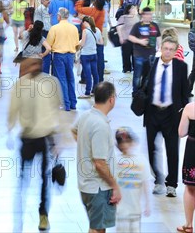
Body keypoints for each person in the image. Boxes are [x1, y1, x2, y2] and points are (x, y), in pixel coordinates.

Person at [8, 58, 61, 232]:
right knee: (23, 176)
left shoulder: (51, 82)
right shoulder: (20, 85)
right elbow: (13, 109)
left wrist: (56, 138)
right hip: (27, 137)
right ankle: (20, 212)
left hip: (45, 137)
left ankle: (43, 213)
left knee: (45, 178)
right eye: (30, 64)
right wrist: (9, 129)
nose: (34, 67)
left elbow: (56, 108)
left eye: (36, 63)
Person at [143, 37, 189, 198]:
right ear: (160, 48)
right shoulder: (150, 64)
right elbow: (143, 86)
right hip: (153, 113)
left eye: (171, 49)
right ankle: (158, 178)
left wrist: (183, 114)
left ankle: (171, 184)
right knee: (151, 149)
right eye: (165, 48)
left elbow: (185, 94)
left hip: (171, 114)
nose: (168, 52)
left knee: (172, 150)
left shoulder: (181, 68)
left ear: (175, 51)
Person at [72, 82, 121, 233]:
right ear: (111, 99)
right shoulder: (100, 125)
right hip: (98, 187)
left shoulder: (86, 116)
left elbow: (74, 131)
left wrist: (86, 148)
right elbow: (100, 163)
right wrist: (115, 186)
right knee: (98, 229)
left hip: (86, 185)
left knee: (96, 227)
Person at [114, 127, 151, 232]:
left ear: (133, 142)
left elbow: (145, 182)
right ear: (118, 145)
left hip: (135, 210)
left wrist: (147, 203)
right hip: (120, 211)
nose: (125, 145)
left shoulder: (141, 160)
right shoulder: (116, 160)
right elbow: (111, 181)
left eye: (127, 141)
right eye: (122, 142)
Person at [46, 8, 79, 111]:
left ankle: (66, 104)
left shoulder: (54, 28)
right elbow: (77, 44)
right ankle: (73, 103)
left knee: (62, 80)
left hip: (59, 56)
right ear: (67, 16)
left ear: (59, 16)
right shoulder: (74, 28)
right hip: (71, 55)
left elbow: (49, 44)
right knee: (71, 79)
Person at [127, 7, 160, 92]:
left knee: (148, 75)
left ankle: (144, 91)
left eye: (151, 14)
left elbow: (158, 36)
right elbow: (130, 37)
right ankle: (135, 91)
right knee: (137, 75)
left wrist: (159, 47)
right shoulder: (137, 26)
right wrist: (140, 41)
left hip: (151, 54)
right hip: (139, 55)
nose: (150, 16)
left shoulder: (154, 25)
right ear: (143, 15)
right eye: (148, 14)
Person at [178, 101, 195, 233]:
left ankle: (189, 225)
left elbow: (181, 132)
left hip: (193, 150)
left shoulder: (190, 107)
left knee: (190, 188)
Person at [78, 16, 102, 99]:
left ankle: (87, 92)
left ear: (85, 22)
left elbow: (82, 44)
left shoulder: (85, 31)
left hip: (85, 55)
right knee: (95, 74)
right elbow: (100, 42)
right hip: (94, 54)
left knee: (88, 74)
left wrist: (79, 44)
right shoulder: (98, 30)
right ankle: (94, 91)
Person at [117, 4, 139, 73]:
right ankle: (126, 68)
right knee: (126, 54)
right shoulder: (123, 17)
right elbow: (119, 27)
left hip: (135, 39)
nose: (135, 10)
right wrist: (120, 37)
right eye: (133, 8)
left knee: (135, 54)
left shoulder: (137, 17)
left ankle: (135, 67)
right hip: (126, 38)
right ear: (129, 9)